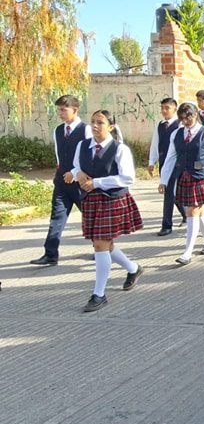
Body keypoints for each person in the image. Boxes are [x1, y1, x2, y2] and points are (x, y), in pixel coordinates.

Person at [66, 110, 144, 311]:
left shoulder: (120, 149)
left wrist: (97, 182)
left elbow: (128, 178)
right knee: (104, 244)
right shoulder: (82, 145)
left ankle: (99, 294)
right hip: (91, 199)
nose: (94, 126)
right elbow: (76, 167)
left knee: (100, 244)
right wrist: (77, 173)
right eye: (92, 122)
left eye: (100, 122)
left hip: (112, 199)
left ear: (110, 126)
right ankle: (133, 269)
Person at [159, 102, 204, 265]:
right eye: (182, 119)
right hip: (185, 176)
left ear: (195, 115)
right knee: (197, 212)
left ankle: (187, 252)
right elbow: (170, 157)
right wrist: (163, 180)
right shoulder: (176, 134)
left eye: (188, 117)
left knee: (192, 211)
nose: (185, 121)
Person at [30, 94, 93, 266]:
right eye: (59, 110)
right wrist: (60, 173)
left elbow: (88, 156)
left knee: (90, 216)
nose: (61, 113)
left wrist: (74, 172)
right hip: (62, 182)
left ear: (75, 109)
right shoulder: (58, 130)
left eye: (64, 110)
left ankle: (102, 248)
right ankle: (50, 254)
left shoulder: (85, 129)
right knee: (56, 217)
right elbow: (59, 155)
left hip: (80, 182)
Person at [149, 97, 186, 236]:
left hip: (178, 164)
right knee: (171, 192)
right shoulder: (160, 125)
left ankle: (166, 225)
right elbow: (155, 144)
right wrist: (151, 162)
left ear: (175, 109)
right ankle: (185, 214)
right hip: (164, 162)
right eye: (162, 108)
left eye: (167, 108)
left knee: (169, 192)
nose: (164, 111)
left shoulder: (180, 125)